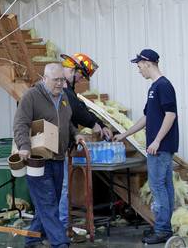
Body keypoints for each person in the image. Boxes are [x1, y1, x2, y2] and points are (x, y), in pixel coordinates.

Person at [14, 62, 84, 248]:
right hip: (37, 160)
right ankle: (60, 243)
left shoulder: (63, 97)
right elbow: (20, 123)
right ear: (44, 79)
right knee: (48, 203)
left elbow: (66, 122)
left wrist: (75, 134)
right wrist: (23, 146)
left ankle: (32, 239)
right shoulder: (31, 96)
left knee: (46, 203)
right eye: (56, 80)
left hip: (58, 158)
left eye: (62, 79)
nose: (60, 83)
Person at [113, 49, 178, 244]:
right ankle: (164, 228)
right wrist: (124, 134)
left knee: (158, 187)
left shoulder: (163, 86)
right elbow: (148, 117)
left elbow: (170, 115)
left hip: (160, 147)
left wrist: (157, 140)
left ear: (147, 63)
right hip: (158, 147)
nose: (139, 69)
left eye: (139, 65)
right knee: (164, 187)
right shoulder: (154, 88)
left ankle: (162, 230)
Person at [58, 53, 113, 229]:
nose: (81, 79)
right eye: (81, 75)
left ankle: (59, 226)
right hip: (56, 148)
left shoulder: (68, 90)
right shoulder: (63, 89)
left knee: (62, 189)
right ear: (72, 70)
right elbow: (77, 111)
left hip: (63, 145)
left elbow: (81, 107)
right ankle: (60, 227)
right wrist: (94, 124)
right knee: (62, 189)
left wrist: (100, 123)